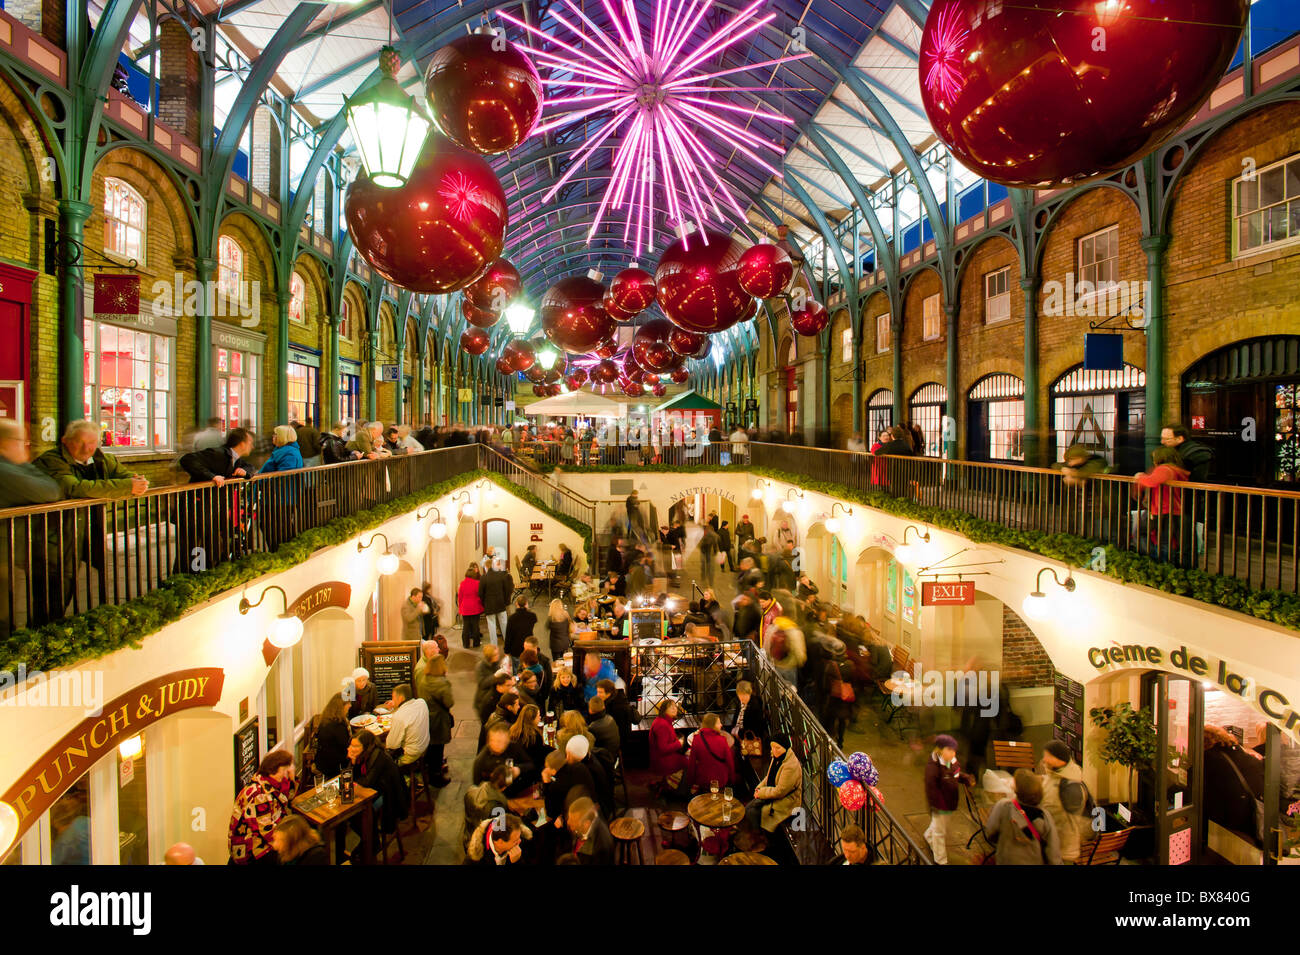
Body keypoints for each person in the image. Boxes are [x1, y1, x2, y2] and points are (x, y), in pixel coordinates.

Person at [0, 420, 62, 632]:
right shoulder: (5, 471)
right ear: (4, 443)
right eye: (20, 441)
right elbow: (50, 490)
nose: (25, 446)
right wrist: (24, 463)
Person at [347, 729, 409, 856]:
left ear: (366, 746)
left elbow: (367, 781)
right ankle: (369, 840)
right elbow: (354, 778)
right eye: (351, 745)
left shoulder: (378, 756)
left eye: (355, 746)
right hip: (374, 790)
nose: (352, 749)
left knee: (360, 814)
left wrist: (354, 775)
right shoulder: (363, 755)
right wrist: (352, 763)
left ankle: (372, 842)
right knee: (352, 816)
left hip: (389, 794)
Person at [227, 750, 294, 865]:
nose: (286, 772)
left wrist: (293, 779)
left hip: (264, 839)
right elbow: (266, 831)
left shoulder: (273, 784)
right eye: (284, 770)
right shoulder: (259, 795)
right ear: (273, 771)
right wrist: (289, 844)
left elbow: (289, 798)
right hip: (251, 849)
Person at [983, 768, 1062, 865]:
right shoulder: (1044, 816)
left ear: (1017, 790)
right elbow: (1053, 852)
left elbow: (990, 832)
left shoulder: (1003, 806)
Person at [923, 734, 974, 865]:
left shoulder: (952, 761)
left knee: (939, 826)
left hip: (950, 803)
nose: (953, 753)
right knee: (940, 833)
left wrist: (965, 778)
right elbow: (931, 788)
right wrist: (936, 806)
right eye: (950, 750)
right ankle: (940, 860)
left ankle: (928, 835)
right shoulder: (933, 767)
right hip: (940, 806)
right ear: (940, 750)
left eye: (954, 750)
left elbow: (955, 774)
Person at [1038, 739, 1092, 863]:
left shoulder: (1070, 788)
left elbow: (1061, 817)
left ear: (1060, 760)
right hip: (1051, 845)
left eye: (1048, 756)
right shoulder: (1055, 774)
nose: (1044, 759)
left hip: (1062, 850)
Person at [1132, 446, 1189, 561]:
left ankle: (1156, 560)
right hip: (1171, 509)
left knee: (1144, 535)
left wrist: (1140, 477)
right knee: (1166, 539)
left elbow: (1151, 481)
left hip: (1162, 509)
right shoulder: (1176, 470)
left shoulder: (1165, 469)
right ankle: (1162, 561)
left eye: (1154, 457)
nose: (1153, 460)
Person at [745, 733, 802, 833]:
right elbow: (769, 776)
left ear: (786, 748)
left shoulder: (790, 766)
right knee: (748, 808)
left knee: (753, 812)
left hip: (787, 800)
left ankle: (759, 837)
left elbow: (780, 791)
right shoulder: (777, 757)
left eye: (778, 748)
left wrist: (761, 792)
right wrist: (758, 788)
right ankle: (750, 834)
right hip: (772, 791)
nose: (774, 750)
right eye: (772, 747)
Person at [413, 650, 453, 785]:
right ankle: (436, 777)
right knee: (438, 748)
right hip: (439, 719)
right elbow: (449, 702)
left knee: (431, 747)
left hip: (427, 717)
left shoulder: (424, 679)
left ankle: (429, 772)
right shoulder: (441, 683)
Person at [473, 722, 535, 795]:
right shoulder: (481, 760)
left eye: (503, 741)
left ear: (508, 739)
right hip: (493, 796)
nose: (499, 744)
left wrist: (519, 769)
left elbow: (530, 765)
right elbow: (477, 787)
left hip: (515, 790)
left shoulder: (514, 747)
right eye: (496, 741)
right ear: (489, 741)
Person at [686, 713, 736, 792]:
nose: (721, 725)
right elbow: (730, 762)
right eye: (719, 723)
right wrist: (732, 779)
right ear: (713, 725)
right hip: (720, 780)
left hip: (702, 779)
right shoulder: (722, 740)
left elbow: (692, 763)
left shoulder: (696, 739)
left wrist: (690, 781)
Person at [384, 683, 430, 766]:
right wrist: (396, 704)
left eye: (393, 697)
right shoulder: (422, 702)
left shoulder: (399, 716)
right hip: (425, 746)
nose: (392, 699)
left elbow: (392, 745)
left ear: (401, 698)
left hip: (411, 755)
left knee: (382, 753)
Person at [311, 692, 353, 779]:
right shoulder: (337, 725)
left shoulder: (327, 719)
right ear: (340, 706)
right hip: (333, 766)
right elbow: (346, 745)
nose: (350, 705)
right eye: (348, 703)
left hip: (322, 761)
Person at [649, 698, 689, 782]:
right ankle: (682, 788)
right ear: (664, 710)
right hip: (662, 761)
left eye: (675, 706)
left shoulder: (663, 721)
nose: (675, 709)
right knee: (690, 762)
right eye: (671, 707)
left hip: (660, 758)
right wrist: (679, 743)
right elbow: (663, 749)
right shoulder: (662, 725)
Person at [510, 704, 554, 779]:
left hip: (519, 766)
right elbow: (540, 756)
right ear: (532, 719)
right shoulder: (533, 736)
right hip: (532, 770)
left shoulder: (514, 729)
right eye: (538, 716)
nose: (540, 718)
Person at [567, 796, 614, 865]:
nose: (568, 822)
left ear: (586, 824)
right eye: (569, 818)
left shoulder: (601, 846)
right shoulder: (580, 828)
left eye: (573, 820)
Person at [479, 559, 514, 646]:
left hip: (489, 605)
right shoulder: (501, 576)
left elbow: (480, 593)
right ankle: (508, 643)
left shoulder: (484, 577)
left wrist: (484, 603)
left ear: (486, 567)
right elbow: (506, 590)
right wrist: (505, 601)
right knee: (504, 624)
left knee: (492, 626)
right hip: (500, 603)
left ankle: (494, 645)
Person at [458, 563, 485, 648]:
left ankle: (466, 644)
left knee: (465, 627)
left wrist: (460, 607)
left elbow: (460, 597)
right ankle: (476, 643)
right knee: (475, 626)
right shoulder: (477, 583)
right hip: (475, 607)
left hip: (465, 608)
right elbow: (480, 595)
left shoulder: (462, 583)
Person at [504, 594, 537, 658]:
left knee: (516, 667)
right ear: (526, 604)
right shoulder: (532, 616)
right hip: (528, 647)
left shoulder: (511, 618)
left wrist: (506, 651)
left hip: (515, 649)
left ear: (516, 604)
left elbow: (508, 636)